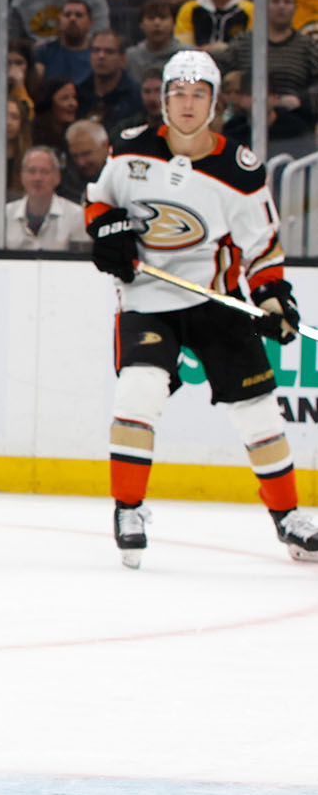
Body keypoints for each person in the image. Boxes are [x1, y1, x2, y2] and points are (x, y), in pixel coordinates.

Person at [85, 50, 318, 567]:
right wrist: (107, 234)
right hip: (147, 299)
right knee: (139, 390)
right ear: (163, 98)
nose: (187, 104)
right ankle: (128, 508)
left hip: (217, 302)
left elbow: (263, 249)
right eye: (178, 93)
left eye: (198, 95)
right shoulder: (128, 151)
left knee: (257, 411)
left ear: (213, 103)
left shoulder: (240, 170)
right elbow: (99, 203)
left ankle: (288, 518)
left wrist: (273, 297)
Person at [215, 0, 318, 161]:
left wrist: (300, 99)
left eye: (287, 2)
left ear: (294, 8)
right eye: (275, 1)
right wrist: (230, 96)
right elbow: (217, 71)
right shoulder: (244, 43)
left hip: (294, 127)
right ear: (264, 6)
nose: (281, 6)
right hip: (244, 123)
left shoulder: (307, 45)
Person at [0, 146, 85, 250]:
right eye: (31, 171)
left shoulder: (77, 216)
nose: (37, 178)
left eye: (45, 171)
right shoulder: (3, 216)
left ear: (57, 177)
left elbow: (80, 263)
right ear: (22, 176)